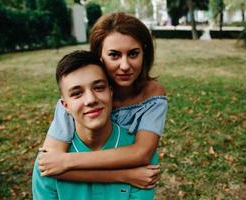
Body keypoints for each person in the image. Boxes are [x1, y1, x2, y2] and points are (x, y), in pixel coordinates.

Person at [38, 12, 167, 189]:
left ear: (144, 54)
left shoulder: (153, 94)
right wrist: (124, 175)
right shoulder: (78, 98)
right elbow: (49, 165)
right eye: (114, 55)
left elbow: (142, 153)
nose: (125, 66)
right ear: (99, 55)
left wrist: (67, 161)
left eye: (133, 54)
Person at [33, 50, 159, 199]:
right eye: (77, 93)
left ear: (111, 92)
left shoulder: (137, 151)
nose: (90, 100)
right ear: (65, 105)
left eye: (99, 88)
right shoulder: (50, 161)